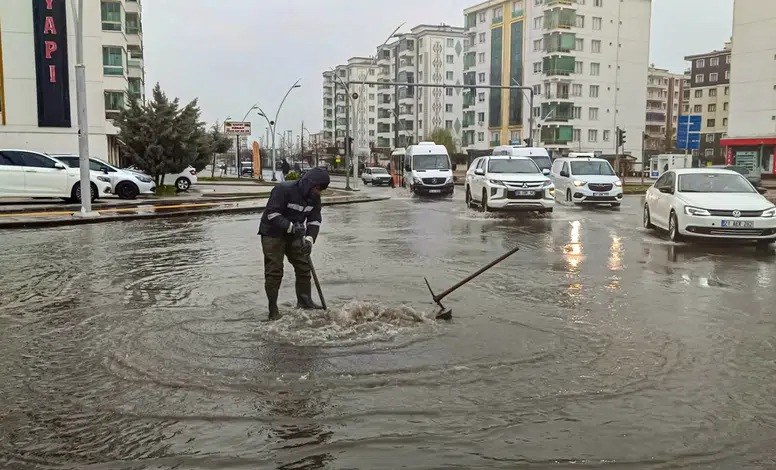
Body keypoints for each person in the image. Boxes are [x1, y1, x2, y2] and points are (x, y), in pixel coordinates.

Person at [258, 167, 331, 320]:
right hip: (272, 232)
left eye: (321, 190)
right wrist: (291, 227)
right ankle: (273, 309)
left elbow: (315, 220)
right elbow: (272, 213)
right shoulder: (283, 190)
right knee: (274, 270)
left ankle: (305, 302)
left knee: (304, 266)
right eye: (318, 188)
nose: (319, 192)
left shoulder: (315, 198)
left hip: (296, 234)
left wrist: (309, 240)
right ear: (309, 183)